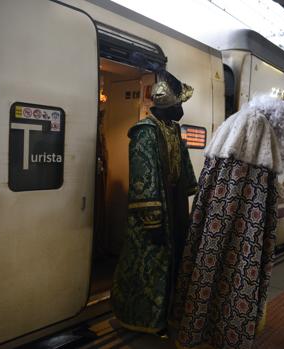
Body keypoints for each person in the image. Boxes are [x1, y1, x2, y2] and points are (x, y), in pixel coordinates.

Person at [173, 95, 284, 349]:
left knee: (206, 265)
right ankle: (225, 333)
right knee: (237, 268)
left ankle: (194, 327)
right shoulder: (258, 131)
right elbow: (255, 199)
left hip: (214, 221)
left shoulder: (232, 127)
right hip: (240, 226)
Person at [110, 70, 197, 335]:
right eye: (179, 104)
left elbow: (183, 166)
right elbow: (142, 179)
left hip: (173, 205)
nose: (182, 109)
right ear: (169, 105)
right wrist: (152, 221)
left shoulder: (172, 129)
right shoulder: (144, 132)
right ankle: (142, 320)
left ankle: (166, 316)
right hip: (155, 210)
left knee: (173, 262)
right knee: (148, 268)